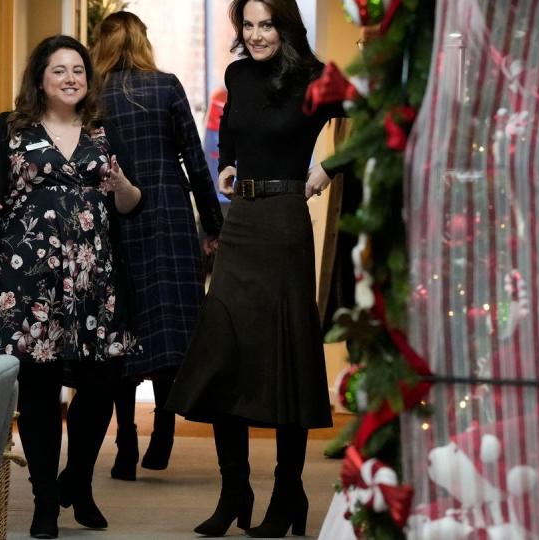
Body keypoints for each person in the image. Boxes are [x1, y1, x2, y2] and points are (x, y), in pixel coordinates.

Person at [166, 0, 345, 537]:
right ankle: (234, 490)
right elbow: (233, 138)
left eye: (267, 23)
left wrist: (329, 168)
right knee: (225, 355)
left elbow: (376, 119)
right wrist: (223, 166)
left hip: (287, 224)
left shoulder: (318, 79)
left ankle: (288, 491)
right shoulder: (237, 74)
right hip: (240, 222)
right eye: (248, 24)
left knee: (284, 357)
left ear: (286, 25)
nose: (257, 34)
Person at [0, 35, 143, 539]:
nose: (70, 78)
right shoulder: (10, 129)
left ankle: (78, 483)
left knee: (102, 383)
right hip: (27, 281)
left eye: (78, 71)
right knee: (40, 390)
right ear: (40, 78)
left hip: (95, 280)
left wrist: (122, 187)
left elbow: (129, 202)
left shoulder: (104, 132)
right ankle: (45, 502)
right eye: (59, 70)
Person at [90, 11, 223, 481]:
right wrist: (213, 223)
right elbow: (196, 159)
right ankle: (163, 426)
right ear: (143, 42)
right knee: (169, 324)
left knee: (124, 325)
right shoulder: (166, 86)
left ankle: (126, 441)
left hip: (116, 218)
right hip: (168, 213)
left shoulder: (93, 95)